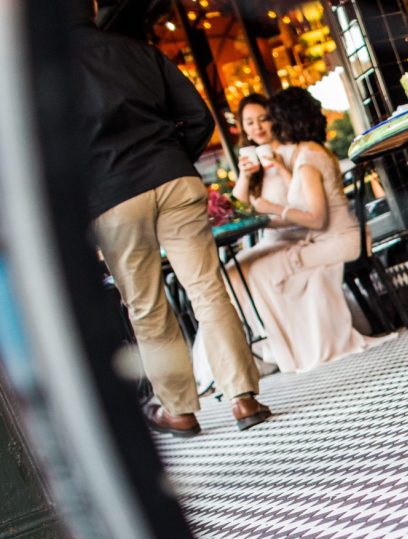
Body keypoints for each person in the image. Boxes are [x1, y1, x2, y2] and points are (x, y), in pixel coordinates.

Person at [69, 0, 271, 437]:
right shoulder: (135, 50)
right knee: (206, 288)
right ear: (91, 7)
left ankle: (179, 410)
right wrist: (174, 159)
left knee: (146, 306)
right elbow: (198, 115)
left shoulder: (45, 76)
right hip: (173, 176)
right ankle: (244, 399)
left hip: (112, 196)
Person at [229, 89, 380, 372]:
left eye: (269, 118)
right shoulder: (305, 153)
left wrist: (270, 210)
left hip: (336, 240)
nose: (265, 126)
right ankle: (287, 345)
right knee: (254, 269)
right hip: (327, 237)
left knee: (260, 270)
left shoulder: (306, 156)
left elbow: (316, 218)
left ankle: (293, 348)